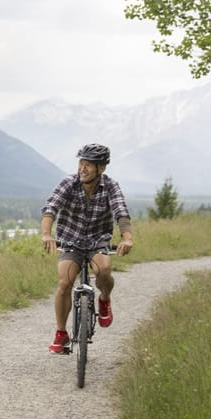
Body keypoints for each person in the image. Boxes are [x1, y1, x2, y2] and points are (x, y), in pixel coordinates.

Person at [41, 143, 133, 354]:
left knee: (104, 271)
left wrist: (127, 238)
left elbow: (121, 213)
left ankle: (104, 299)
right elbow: (50, 209)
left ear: (101, 168)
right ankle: (61, 333)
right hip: (70, 241)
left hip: (98, 240)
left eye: (89, 164)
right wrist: (47, 234)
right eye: (81, 162)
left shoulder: (110, 186)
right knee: (64, 282)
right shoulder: (68, 183)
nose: (82, 168)